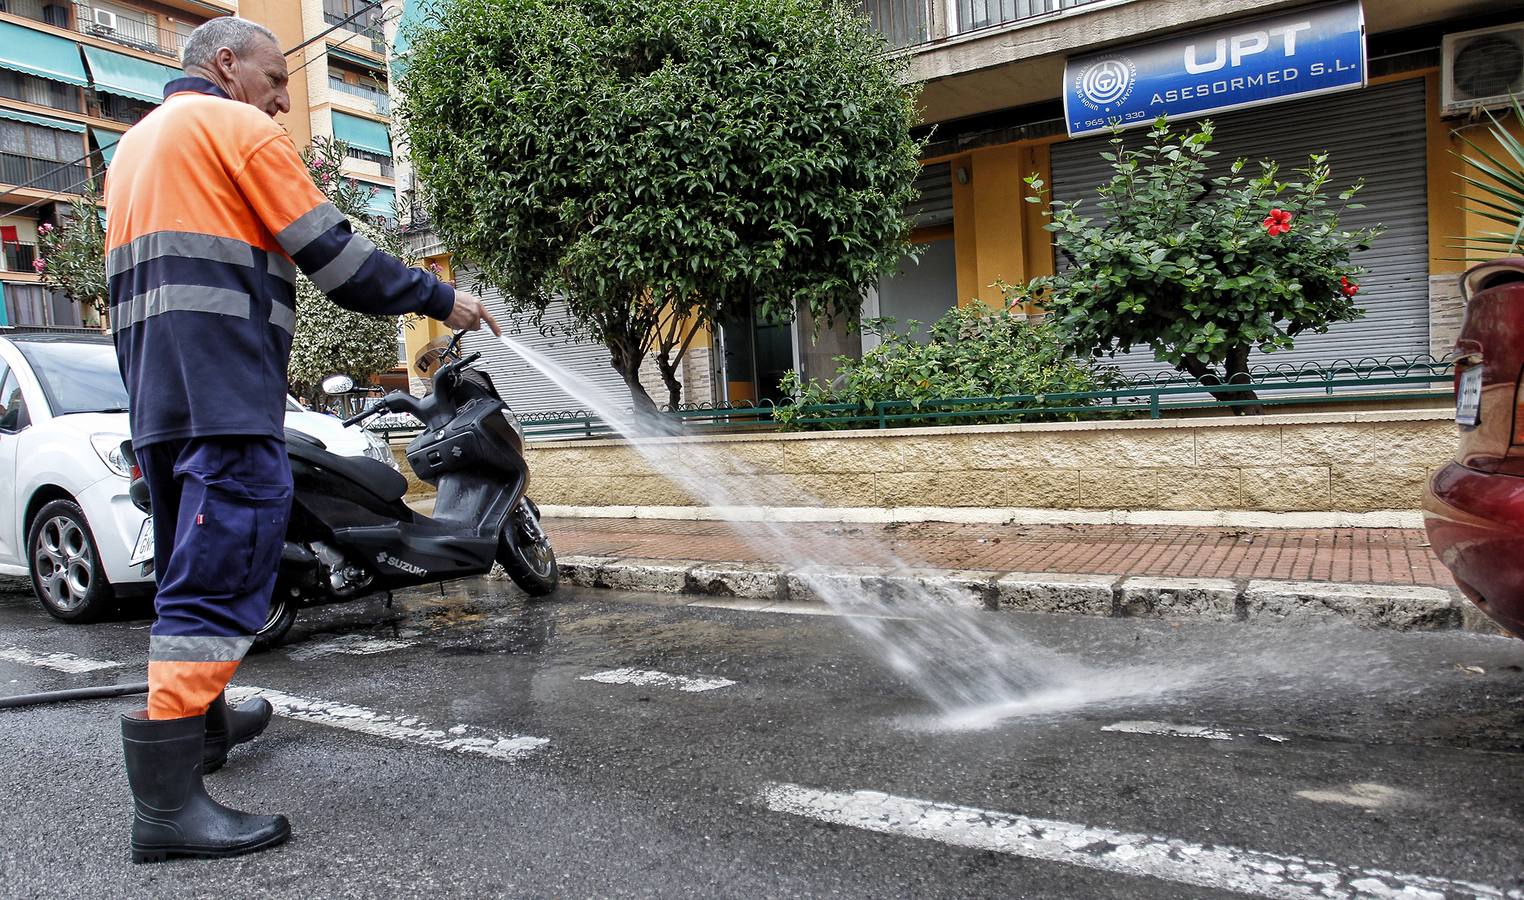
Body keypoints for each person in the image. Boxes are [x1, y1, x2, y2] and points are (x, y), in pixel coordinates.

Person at [105, 17, 501, 863]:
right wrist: (440, 299)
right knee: (222, 566)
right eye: (274, 77)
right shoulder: (234, 128)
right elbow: (337, 261)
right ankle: (169, 807)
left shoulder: (136, 149)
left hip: (159, 399)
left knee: (186, 559)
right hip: (223, 391)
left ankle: (203, 723)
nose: (283, 99)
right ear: (224, 65)